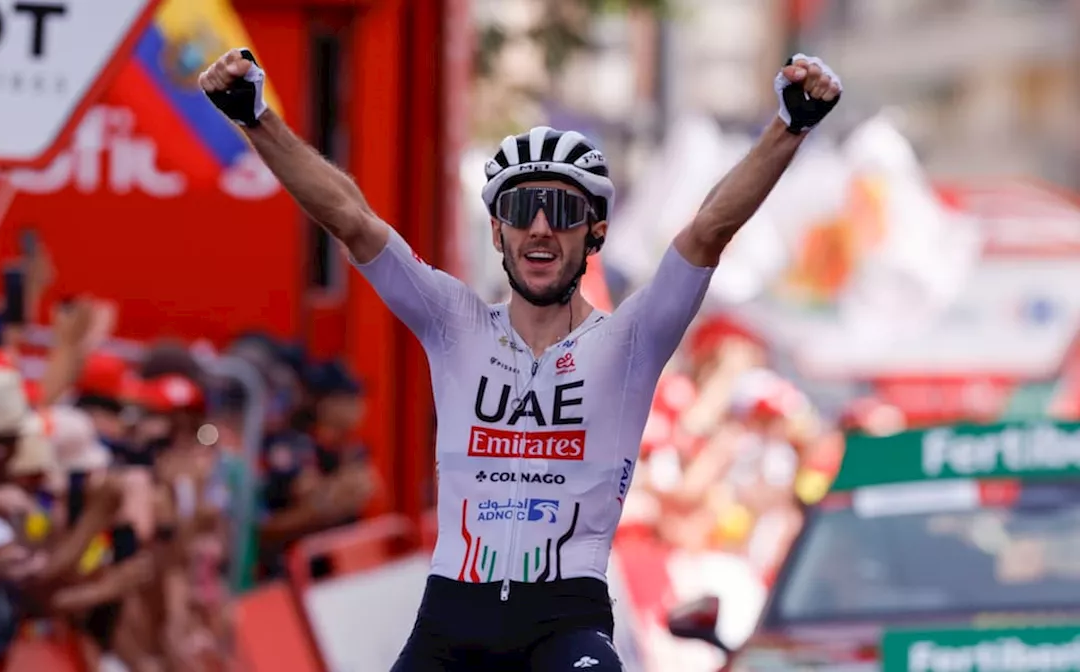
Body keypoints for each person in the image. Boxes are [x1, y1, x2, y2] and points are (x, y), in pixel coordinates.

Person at [201, 48, 842, 671]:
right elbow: (351, 219)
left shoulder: (630, 341)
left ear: (595, 232)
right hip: (453, 614)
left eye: (561, 210)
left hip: (565, 618)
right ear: (496, 231)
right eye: (518, 209)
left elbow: (708, 231)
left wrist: (790, 127)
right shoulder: (454, 324)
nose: (539, 226)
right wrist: (256, 118)